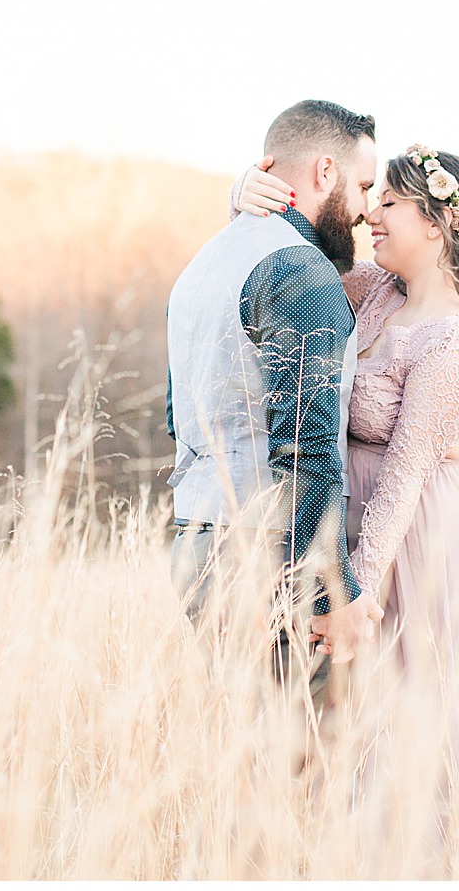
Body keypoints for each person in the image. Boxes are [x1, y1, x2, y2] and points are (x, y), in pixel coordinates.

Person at [231, 143, 459, 877]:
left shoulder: (456, 341)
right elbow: (301, 261)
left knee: (422, 729)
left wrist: (350, 592)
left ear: (436, 223)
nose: (370, 213)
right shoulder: (375, 292)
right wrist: (246, 201)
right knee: (367, 739)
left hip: (421, 549)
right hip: (365, 539)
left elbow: (401, 481)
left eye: (389, 203)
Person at [166, 99, 383, 698]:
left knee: (251, 757)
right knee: (314, 761)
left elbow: (174, 415)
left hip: (197, 538)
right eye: (363, 185)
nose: (366, 211)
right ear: (323, 172)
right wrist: (326, 592)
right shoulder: (301, 273)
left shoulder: (202, 265)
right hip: (263, 556)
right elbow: (306, 447)